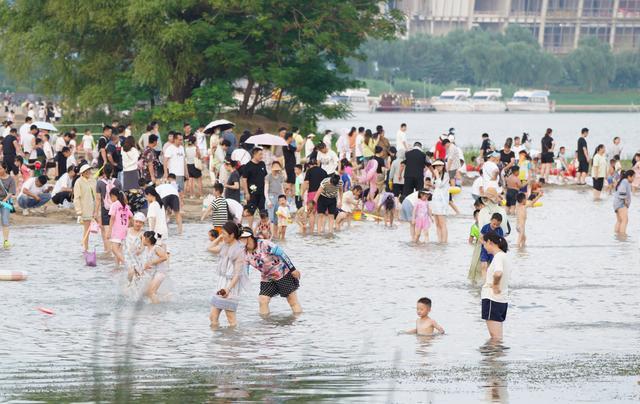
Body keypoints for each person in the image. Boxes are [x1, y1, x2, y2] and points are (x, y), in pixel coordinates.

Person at [239, 227, 302, 315]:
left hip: (282, 273)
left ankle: (298, 324)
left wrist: (293, 269)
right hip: (267, 278)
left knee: (292, 300)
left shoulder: (264, 244)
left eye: (241, 238)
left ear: (249, 237)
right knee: (262, 300)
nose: (239, 240)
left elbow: (282, 254)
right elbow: (245, 271)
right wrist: (239, 284)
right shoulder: (244, 252)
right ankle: (266, 326)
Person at [208, 221, 248, 328]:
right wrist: (220, 237)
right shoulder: (224, 245)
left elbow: (237, 274)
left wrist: (228, 289)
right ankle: (218, 342)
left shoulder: (239, 250)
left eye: (225, 234)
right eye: (222, 233)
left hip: (231, 285)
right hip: (221, 283)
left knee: (230, 318)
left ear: (232, 235)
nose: (223, 236)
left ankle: (233, 342)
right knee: (213, 317)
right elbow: (209, 248)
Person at [481, 233, 510, 341]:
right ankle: (496, 357)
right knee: (498, 336)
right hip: (501, 299)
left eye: (484, 244)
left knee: (495, 337)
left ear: (489, 242)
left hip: (492, 299)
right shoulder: (504, 256)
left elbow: (498, 273)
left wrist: (495, 284)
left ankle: (492, 358)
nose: (484, 247)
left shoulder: (498, 257)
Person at [97, 164, 121, 252]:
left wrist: (95, 212)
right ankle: (115, 251)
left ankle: (107, 251)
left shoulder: (99, 183)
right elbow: (121, 196)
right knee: (116, 230)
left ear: (103, 171)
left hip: (105, 209)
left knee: (107, 231)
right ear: (113, 171)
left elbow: (98, 199)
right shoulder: (117, 182)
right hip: (116, 209)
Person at [241, 147, 268, 227]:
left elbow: (265, 178)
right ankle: (250, 228)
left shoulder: (262, 164)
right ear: (254, 154)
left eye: (262, 154)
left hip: (262, 193)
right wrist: (246, 193)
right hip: (252, 193)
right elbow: (244, 180)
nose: (261, 156)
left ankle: (263, 228)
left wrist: (267, 190)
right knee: (250, 211)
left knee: (263, 212)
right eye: (260, 154)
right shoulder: (248, 166)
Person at [141, 231, 169, 304]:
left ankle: (157, 309)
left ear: (147, 239)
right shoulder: (148, 249)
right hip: (155, 273)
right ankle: (165, 297)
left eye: (143, 238)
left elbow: (165, 257)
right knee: (146, 293)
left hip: (160, 273)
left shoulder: (156, 248)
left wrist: (151, 262)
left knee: (151, 293)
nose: (141, 239)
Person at [73, 164, 96, 252]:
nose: (88, 172)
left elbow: (97, 194)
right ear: (82, 173)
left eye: (89, 170)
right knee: (87, 230)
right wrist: (78, 210)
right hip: (85, 208)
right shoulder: (78, 182)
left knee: (102, 227)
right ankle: (85, 248)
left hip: (95, 207)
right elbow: (76, 197)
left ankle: (107, 248)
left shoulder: (93, 180)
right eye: (85, 171)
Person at [108, 188, 132, 266]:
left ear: (113, 196)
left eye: (110, 197)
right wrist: (128, 226)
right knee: (119, 251)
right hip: (124, 231)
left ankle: (127, 264)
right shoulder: (126, 205)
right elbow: (131, 216)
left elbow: (112, 218)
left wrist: (109, 231)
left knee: (114, 249)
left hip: (116, 231)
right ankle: (118, 267)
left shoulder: (114, 204)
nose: (111, 199)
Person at [430, 160, 449, 243]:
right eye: (436, 166)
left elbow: (440, 185)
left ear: (443, 166)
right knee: (437, 224)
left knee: (442, 223)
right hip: (435, 201)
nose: (438, 167)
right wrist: (436, 176)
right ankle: (439, 241)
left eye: (440, 165)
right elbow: (434, 187)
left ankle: (444, 242)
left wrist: (437, 175)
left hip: (442, 202)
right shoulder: (435, 176)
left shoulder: (446, 175)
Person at [163, 133, 188, 198]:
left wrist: (186, 172)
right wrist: (166, 172)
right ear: (175, 139)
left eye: (182, 140)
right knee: (174, 192)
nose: (181, 141)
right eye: (179, 140)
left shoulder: (182, 148)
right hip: (173, 174)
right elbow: (165, 161)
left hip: (181, 173)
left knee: (181, 191)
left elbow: (184, 161)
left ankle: (180, 205)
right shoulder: (170, 148)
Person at [125, 212, 146, 283]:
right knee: (131, 271)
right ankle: (128, 284)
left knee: (139, 274)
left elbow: (143, 246)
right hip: (128, 256)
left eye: (140, 222)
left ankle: (137, 288)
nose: (138, 224)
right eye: (136, 222)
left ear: (143, 224)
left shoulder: (142, 234)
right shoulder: (127, 230)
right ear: (133, 221)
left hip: (137, 256)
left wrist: (140, 251)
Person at [265, 161, 286, 235]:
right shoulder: (268, 177)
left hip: (279, 197)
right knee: (270, 218)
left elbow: (282, 188)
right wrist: (268, 200)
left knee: (277, 217)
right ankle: (268, 234)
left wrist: (284, 198)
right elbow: (266, 190)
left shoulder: (280, 177)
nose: (277, 170)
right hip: (271, 196)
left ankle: (275, 235)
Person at [0, 161, 16, 248]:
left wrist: (4, 201)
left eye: (0, 168)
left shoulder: (11, 179)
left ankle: (6, 241)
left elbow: (11, 193)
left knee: (5, 221)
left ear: (5, 169)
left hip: (5, 202)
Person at [613, 170, 634, 237]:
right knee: (625, 220)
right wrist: (625, 201)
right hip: (621, 203)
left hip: (617, 203)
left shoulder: (623, 181)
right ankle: (622, 236)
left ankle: (617, 235)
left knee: (619, 220)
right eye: (633, 177)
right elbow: (622, 191)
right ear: (629, 176)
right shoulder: (625, 181)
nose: (634, 178)